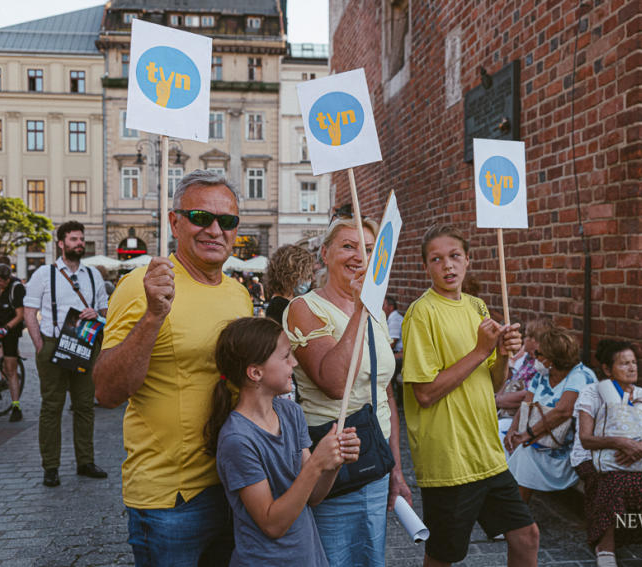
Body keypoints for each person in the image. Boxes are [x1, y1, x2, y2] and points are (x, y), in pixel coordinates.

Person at [93, 170, 252, 567]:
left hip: (235, 484)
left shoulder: (239, 293)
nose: (215, 229)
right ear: (174, 222)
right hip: (171, 498)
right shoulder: (141, 286)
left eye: (227, 221)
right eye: (201, 217)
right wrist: (153, 317)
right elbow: (107, 392)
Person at [401, 224, 538, 567]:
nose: (447, 265)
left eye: (454, 256)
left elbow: (494, 384)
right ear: (426, 267)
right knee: (444, 556)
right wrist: (480, 351)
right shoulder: (422, 313)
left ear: (468, 261)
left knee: (527, 535)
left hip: (487, 452)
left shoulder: (477, 307)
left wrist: (503, 353)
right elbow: (425, 394)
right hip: (449, 457)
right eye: (437, 259)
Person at [283, 216, 412, 567]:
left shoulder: (377, 314)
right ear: (325, 254)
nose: (360, 256)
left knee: (370, 559)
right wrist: (359, 310)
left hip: (375, 461)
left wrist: (396, 469)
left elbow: (385, 395)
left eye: (369, 249)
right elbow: (335, 383)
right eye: (348, 246)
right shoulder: (304, 308)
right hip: (332, 468)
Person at [205, 317, 360, 566]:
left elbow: (313, 497)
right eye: (286, 356)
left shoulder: (290, 413)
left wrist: (334, 461)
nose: (295, 363)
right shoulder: (237, 440)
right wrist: (316, 465)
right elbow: (272, 524)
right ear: (256, 372)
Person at [23, 221, 109, 487]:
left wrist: (97, 314)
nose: (79, 243)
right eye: (73, 239)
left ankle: (85, 461)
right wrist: (39, 344)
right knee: (52, 407)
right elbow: (29, 311)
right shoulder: (44, 274)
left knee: (85, 406)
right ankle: (51, 466)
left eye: (81, 239)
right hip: (53, 345)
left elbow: (106, 311)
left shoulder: (93, 275)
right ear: (61, 243)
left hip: (84, 345)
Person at [574, 340, 642, 567]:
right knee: (612, 480)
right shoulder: (592, 393)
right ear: (607, 369)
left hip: (637, 457)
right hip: (592, 456)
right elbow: (586, 440)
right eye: (624, 364)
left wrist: (640, 447)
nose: (632, 368)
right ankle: (605, 547)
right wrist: (620, 442)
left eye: (634, 363)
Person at [505, 327, 596, 501]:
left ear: (551, 359)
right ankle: (510, 507)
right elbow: (526, 404)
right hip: (540, 439)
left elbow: (563, 412)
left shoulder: (580, 375)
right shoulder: (543, 375)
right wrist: (512, 430)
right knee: (502, 437)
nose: (534, 357)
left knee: (524, 453)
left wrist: (526, 435)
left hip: (566, 449)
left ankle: (517, 516)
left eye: (538, 353)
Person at [496, 318, 553, 444]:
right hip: (503, 409)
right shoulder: (526, 358)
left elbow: (527, 395)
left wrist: (496, 401)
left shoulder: (542, 365)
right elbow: (508, 380)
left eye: (527, 336)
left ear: (535, 341)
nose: (524, 339)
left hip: (517, 417)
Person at [0, 263, 26, 421]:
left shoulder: (16, 288)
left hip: (10, 329)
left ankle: (16, 406)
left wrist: (6, 328)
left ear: (7, 279)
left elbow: (20, 315)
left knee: (10, 368)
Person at [264, 244, 314, 326]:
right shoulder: (280, 308)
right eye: (306, 275)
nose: (310, 280)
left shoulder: (280, 304)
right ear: (292, 275)